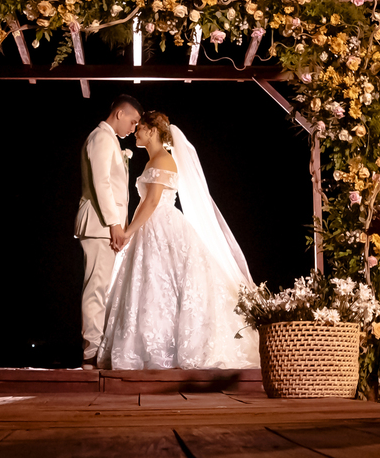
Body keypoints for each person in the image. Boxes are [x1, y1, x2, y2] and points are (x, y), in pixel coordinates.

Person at [96, 110, 259, 370]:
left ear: (150, 131)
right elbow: (145, 203)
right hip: (151, 225)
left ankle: (162, 350)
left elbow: (151, 202)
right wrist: (130, 230)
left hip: (161, 224)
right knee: (151, 286)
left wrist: (127, 232)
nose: (135, 131)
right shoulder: (155, 160)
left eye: (139, 127)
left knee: (159, 284)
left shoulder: (161, 159)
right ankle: (152, 348)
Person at [75, 94, 142, 370]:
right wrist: (115, 223)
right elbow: (101, 183)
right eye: (133, 121)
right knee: (96, 288)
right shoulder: (101, 137)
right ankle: (91, 351)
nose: (134, 128)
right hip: (99, 224)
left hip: (107, 226)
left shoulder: (111, 140)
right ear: (119, 114)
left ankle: (99, 349)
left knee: (103, 289)